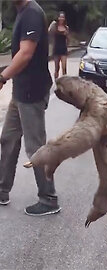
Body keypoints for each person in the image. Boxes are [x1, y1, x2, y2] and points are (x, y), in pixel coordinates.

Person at [0, 0, 59, 216]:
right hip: (21, 90)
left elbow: (26, 53)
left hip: (32, 91)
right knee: (8, 138)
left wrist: (2, 76)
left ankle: (49, 198)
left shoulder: (32, 13)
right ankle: (2, 189)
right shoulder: (22, 12)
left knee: (35, 147)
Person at [49, 11, 69, 79]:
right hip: (56, 48)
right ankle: (57, 82)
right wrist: (52, 24)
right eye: (60, 17)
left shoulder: (66, 28)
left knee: (64, 67)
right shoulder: (54, 26)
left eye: (63, 17)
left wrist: (67, 47)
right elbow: (49, 32)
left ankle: (65, 83)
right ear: (58, 18)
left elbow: (68, 39)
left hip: (63, 49)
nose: (61, 18)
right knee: (57, 68)